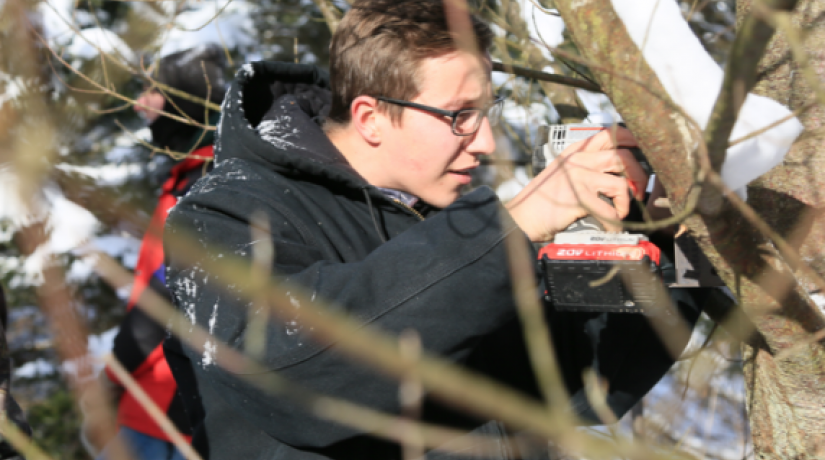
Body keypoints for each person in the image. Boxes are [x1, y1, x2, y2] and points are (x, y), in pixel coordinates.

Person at [163, 1, 708, 459]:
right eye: (459, 116)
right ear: (371, 116)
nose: (486, 142)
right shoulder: (219, 217)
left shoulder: (453, 216)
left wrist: (662, 238)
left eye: (487, 112)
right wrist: (505, 228)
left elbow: (582, 389)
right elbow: (294, 369)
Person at [94, 44, 228, 460]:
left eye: (152, 91)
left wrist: (114, 374)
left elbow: (167, 293)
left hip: (170, 409)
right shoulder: (189, 177)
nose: (138, 104)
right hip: (151, 400)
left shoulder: (210, 186)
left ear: (183, 98)